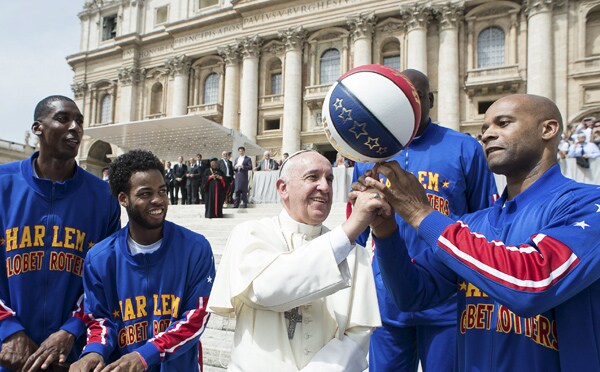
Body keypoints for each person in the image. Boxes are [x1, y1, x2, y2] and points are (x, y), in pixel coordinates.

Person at [355, 94, 600, 371]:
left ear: (548, 129)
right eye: (483, 130)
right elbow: (412, 295)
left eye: (503, 123)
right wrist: (385, 231)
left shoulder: (587, 204)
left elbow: (533, 282)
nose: (486, 136)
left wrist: (420, 214)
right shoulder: (474, 223)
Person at [351, 69, 498, 372]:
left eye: (414, 97)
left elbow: (487, 221)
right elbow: (357, 230)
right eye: (397, 97)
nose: (405, 104)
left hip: (447, 298)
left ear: (429, 100)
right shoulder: (367, 155)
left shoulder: (464, 147)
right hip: (387, 296)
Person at [208, 150, 383, 372]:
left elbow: (357, 337)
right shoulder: (249, 233)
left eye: (329, 179)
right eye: (313, 177)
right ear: (283, 188)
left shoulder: (355, 254)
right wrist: (350, 228)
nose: (325, 187)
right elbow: (267, 289)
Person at [0, 95, 121, 371]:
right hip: (9, 352)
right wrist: (7, 328)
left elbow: (105, 280)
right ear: (37, 128)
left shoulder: (104, 197)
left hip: (71, 356)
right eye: (63, 118)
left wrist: (71, 329)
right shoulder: (3, 184)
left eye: (79, 121)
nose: (75, 127)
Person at [70, 149, 215, 371]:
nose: (158, 200)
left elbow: (196, 317)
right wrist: (94, 352)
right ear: (123, 199)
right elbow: (100, 319)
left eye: (162, 191)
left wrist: (146, 354)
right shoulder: (100, 258)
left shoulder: (195, 248)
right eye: (145, 194)